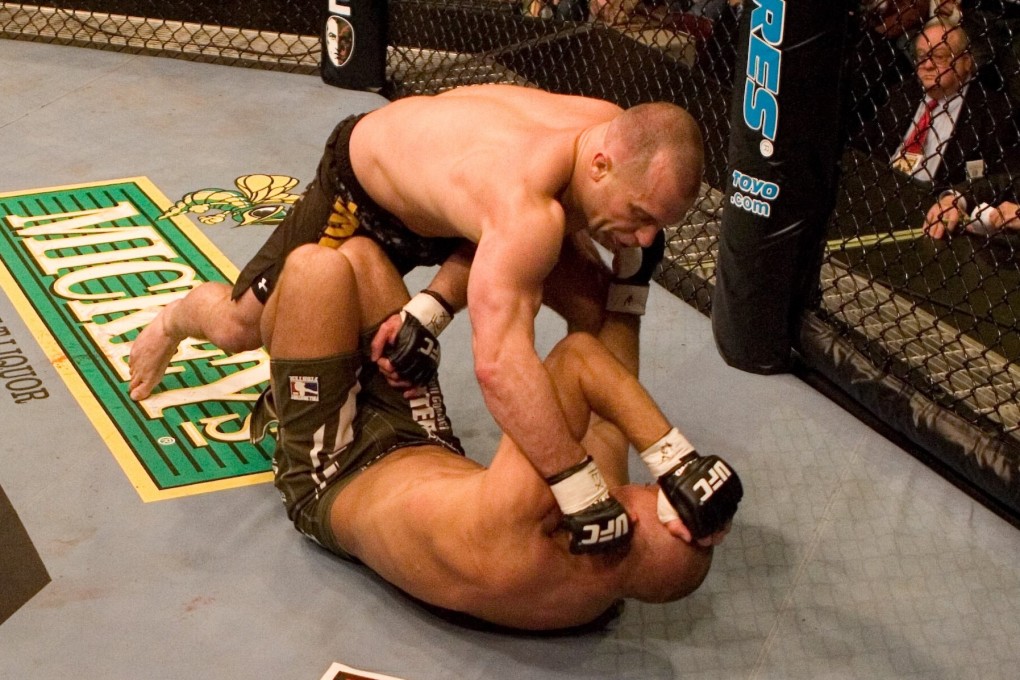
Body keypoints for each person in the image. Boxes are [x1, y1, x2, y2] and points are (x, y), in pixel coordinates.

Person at [130, 83, 705, 552]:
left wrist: (432, 306)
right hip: (365, 193)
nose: (647, 238)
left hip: (456, 201)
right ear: (602, 166)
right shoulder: (527, 204)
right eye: (638, 215)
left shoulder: (605, 137)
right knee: (241, 328)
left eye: (660, 223)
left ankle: (611, 466)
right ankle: (175, 319)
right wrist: (576, 491)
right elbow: (500, 366)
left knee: (601, 309)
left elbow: (495, 228)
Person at [252, 235, 741, 632]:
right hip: (424, 441)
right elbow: (610, 415)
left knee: (319, 270)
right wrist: (630, 286)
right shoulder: (598, 572)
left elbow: (576, 360)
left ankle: (279, 365)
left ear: (630, 524)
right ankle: (323, 358)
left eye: (655, 493)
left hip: (332, 475)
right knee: (363, 258)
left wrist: (678, 461)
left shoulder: (520, 536)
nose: (644, 485)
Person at [850, 18, 1020, 236]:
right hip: (880, 194)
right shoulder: (902, 94)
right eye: (921, 56)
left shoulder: (997, 112)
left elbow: (1004, 180)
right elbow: (866, 147)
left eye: (939, 56)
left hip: (934, 208)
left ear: (967, 61)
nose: (927, 65)